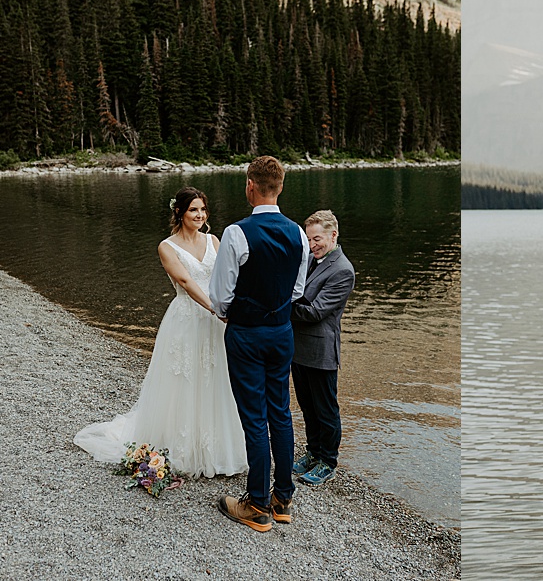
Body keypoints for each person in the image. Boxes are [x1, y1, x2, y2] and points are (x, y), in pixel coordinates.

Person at [74, 187, 249, 477]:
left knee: (216, 377)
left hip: (216, 320)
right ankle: (182, 447)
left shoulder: (214, 240)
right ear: (179, 212)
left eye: (203, 209)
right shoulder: (167, 247)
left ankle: (219, 449)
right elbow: (185, 281)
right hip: (189, 318)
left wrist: (233, 305)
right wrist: (214, 308)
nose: (200, 215)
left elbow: (228, 277)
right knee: (185, 380)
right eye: (193, 210)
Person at [209, 156, 310, 532]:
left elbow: (220, 296)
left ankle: (256, 504)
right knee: (280, 412)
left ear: (250, 186)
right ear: (280, 188)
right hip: (282, 333)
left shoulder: (236, 233)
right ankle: (283, 498)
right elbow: (297, 290)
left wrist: (233, 314)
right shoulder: (299, 233)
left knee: (254, 418)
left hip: (247, 334)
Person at [290, 210, 355, 486]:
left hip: (321, 351)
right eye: (308, 239)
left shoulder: (343, 270)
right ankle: (313, 452)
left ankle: (327, 462)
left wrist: (278, 306)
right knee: (307, 406)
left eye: (317, 239)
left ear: (333, 235)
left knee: (325, 410)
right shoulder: (309, 259)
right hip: (298, 348)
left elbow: (316, 312)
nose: (312, 244)